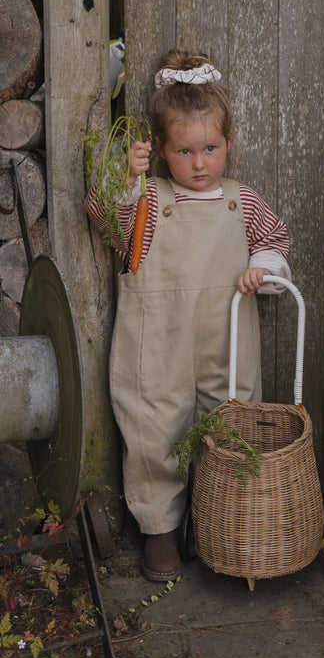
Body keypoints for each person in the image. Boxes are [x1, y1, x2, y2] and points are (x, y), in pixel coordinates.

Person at [85, 49, 291, 582]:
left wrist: (262, 270)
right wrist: (122, 179)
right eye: (185, 151)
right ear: (158, 152)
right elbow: (109, 225)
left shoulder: (241, 201)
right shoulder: (150, 198)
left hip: (227, 334)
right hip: (158, 337)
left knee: (231, 421)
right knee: (155, 423)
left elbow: (274, 241)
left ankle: (218, 520)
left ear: (228, 144)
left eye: (210, 148)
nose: (200, 163)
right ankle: (159, 531)